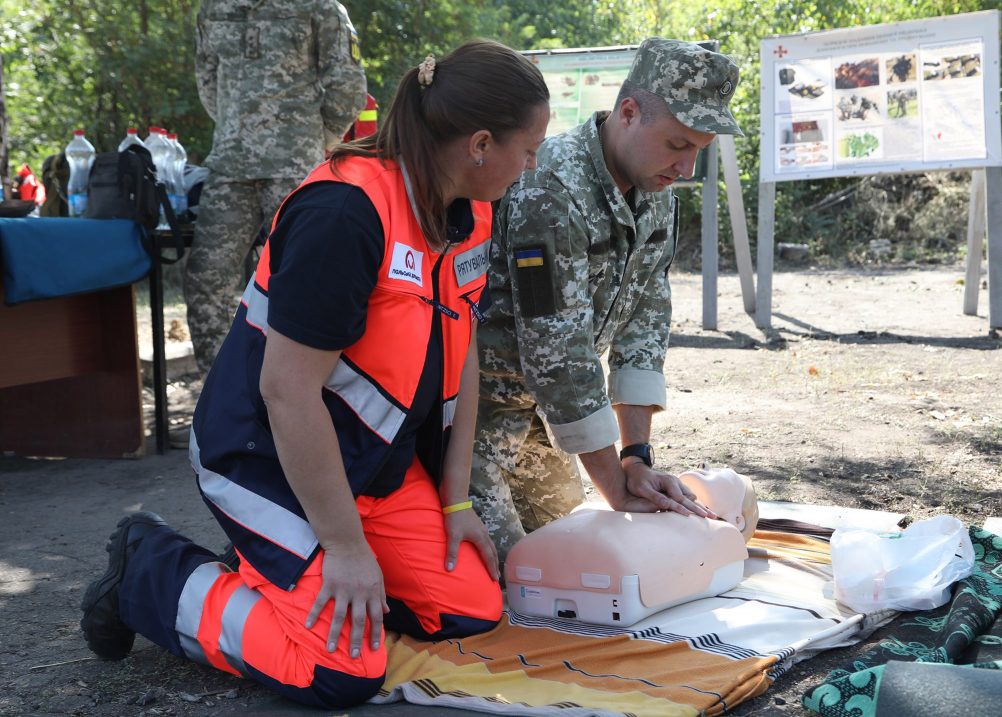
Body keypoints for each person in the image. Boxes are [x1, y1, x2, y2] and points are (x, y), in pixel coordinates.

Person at [80, 40, 550, 709]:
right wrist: (343, 544)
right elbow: (285, 390)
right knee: (342, 670)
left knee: (472, 609)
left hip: (370, 471)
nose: (530, 166)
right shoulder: (343, 214)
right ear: (479, 144)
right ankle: (148, 572)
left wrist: (455, 499)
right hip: (263, 459)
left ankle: (285, 567)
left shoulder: (470, 210)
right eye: (528, 149)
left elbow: (461, 342)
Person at [470, 37, 743, 565]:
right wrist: (615, 487)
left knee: (578, 560)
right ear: (628, 112)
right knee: (516, 580)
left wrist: (636, 457)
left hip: (543, 425)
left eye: (698, 151)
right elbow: (559, 355)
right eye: (677, 145)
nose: (686, 169)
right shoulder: (549, 186)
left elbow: (645, 325)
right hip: (476, 420)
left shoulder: (654, 192)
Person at [186, 0, 367, 375]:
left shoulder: (319, 7)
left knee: (303, 282)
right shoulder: (213, 8)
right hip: (229, 168)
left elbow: (347, 85)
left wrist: (312, 145)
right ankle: (222, 392)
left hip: (294, 170)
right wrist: (241, 132)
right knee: (206, 282)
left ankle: (295, 387)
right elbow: (207, 80)